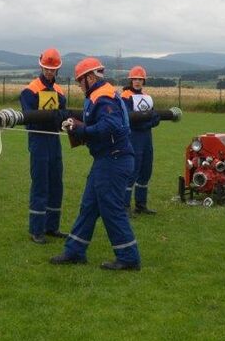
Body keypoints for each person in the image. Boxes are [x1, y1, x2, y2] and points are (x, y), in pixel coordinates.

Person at [50, 57, 141, 271]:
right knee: (89, 206)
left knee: (111, 209)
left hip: (113, 160)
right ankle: (75, 251)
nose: (79, 85)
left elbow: (110, 126)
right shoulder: (100, 94)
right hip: (108, 159)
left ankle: (128, 257)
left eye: (80, 81)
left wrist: (81, 131)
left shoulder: (103, 97)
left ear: (90, 77)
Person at [20, 48, 67, 244]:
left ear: (57, 70)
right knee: (40, 183)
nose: (49, 72)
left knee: (56, 183)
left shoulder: (60, 91)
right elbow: (29, 117)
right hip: (39, 140)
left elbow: (63, 115)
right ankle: (36, 229)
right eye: (47, 68)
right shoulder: (30, 90)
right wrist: (52, 119)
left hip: (54, 139)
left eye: (53, 69)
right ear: (41, 67)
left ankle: (52, 227)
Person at [121, 66, 160, 215]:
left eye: (140, 79)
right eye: (135, 79)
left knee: (146, 170)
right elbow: (129, 119)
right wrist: (147, 121)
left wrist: (148, 122)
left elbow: (155, 117)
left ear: (143, 80)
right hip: (133, 137)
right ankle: (124, 206)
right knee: (132, 171)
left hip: (147, 138)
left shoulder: (147, 97)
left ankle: (141, 205)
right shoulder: (125, 96)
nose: (137, 82)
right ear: (131, 80)